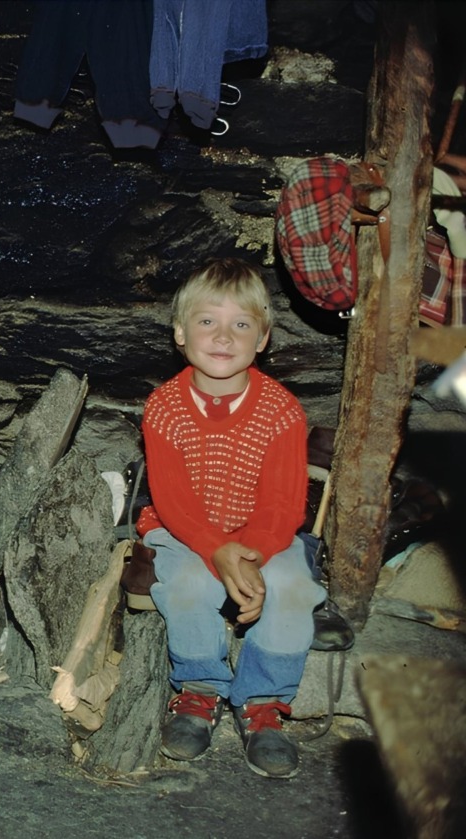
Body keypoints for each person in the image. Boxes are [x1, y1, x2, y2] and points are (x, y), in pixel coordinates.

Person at [134, 257, 326, 779]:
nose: (223, 337)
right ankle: (199, 690)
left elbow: (285, 504)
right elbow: (173, 501)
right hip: (186, 528)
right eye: (207, 321)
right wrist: (216, 551)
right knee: (190, 585)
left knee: (292, 586)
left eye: (241, 324)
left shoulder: (281, 411)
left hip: (262, 532)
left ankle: (263, 703)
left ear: (262, 338)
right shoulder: (165, 407)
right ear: (179, 332)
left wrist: (256, 555)